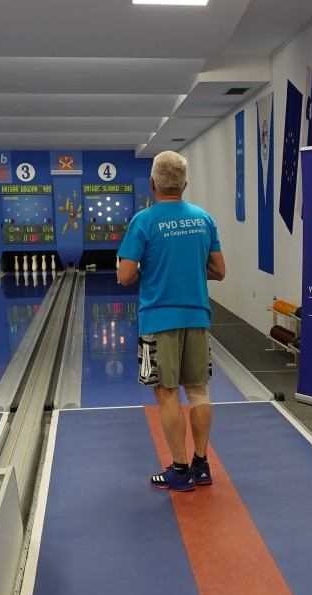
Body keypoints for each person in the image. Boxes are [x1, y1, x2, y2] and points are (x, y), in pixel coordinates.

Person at [116, 151, 226, 492]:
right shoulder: (203, 219)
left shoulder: (143, 221)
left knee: (166, 394)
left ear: (152, 183)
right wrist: (189, 267)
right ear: (184, 184)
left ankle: (179, 471)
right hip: (197, 316)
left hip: (159, 319)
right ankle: (201, 465)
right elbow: (219, 271)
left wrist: (149, 268)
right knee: (199, 392)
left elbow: (124, 275)